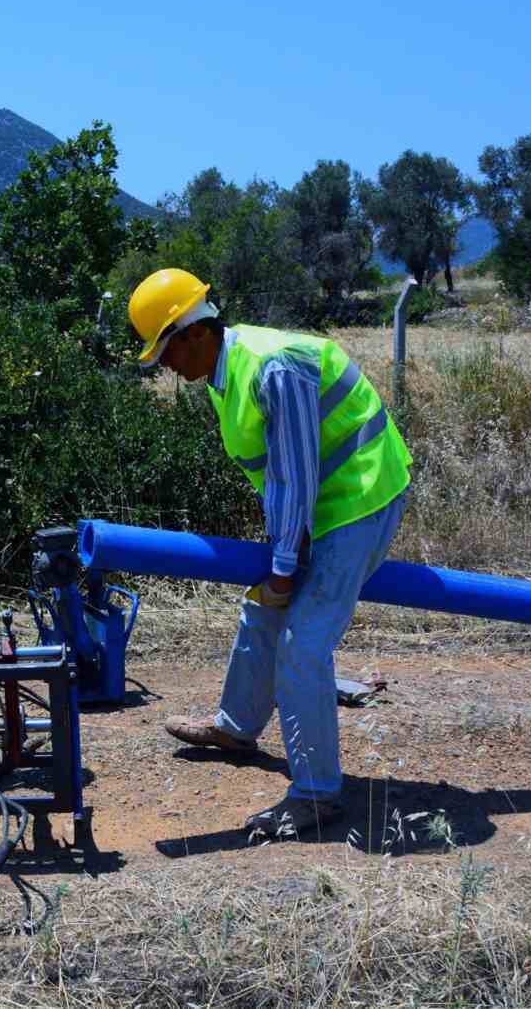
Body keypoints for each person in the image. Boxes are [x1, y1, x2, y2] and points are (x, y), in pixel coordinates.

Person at [128, 268, 412, 837]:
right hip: (322, 507)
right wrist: (281, 563)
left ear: (193, 333)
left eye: (165, 349)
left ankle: (316, 794)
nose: (164, 365)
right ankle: (235, 728)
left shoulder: (273, 367)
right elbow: (279, 477)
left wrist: (285, 566)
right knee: (262, 607)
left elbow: (295, 474)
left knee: (303, 642)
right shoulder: (225, 375)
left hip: (360, 498)